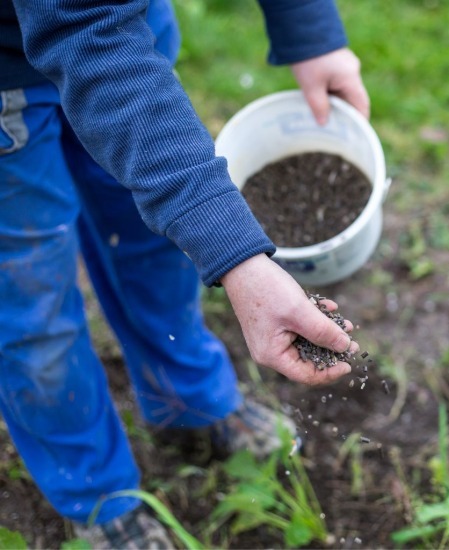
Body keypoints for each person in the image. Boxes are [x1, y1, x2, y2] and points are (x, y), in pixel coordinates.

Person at [0, 0, 369, 546]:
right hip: (20, 74)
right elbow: (85, 32)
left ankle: (189, 402)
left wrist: (308, 29)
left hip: (127, 31)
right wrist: (238, 258)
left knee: (156, 241)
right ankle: (97, 496)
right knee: (34, 306)